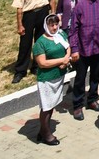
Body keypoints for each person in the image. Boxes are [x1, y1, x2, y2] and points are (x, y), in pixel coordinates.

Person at [12, 0, 59, 84]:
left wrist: (52, 14)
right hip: (29, 15)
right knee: (25, 43)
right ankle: (20, 71)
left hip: (43, 12)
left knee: (40, 42)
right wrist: (20, 25)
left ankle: (37, 66)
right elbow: (19, 9)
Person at [31, 13, 71, 146]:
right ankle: (46, 134)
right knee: (46, 107)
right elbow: (42, 63)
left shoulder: (60, 35)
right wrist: (62, 60)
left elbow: (68, 48)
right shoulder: (40, 43)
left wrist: (66, 61)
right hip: (47, 80)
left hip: (58, 77)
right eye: (51, 25)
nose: (54, 27)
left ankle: (42, 131)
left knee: (51, 105)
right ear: (46, 26)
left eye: (56, 24)